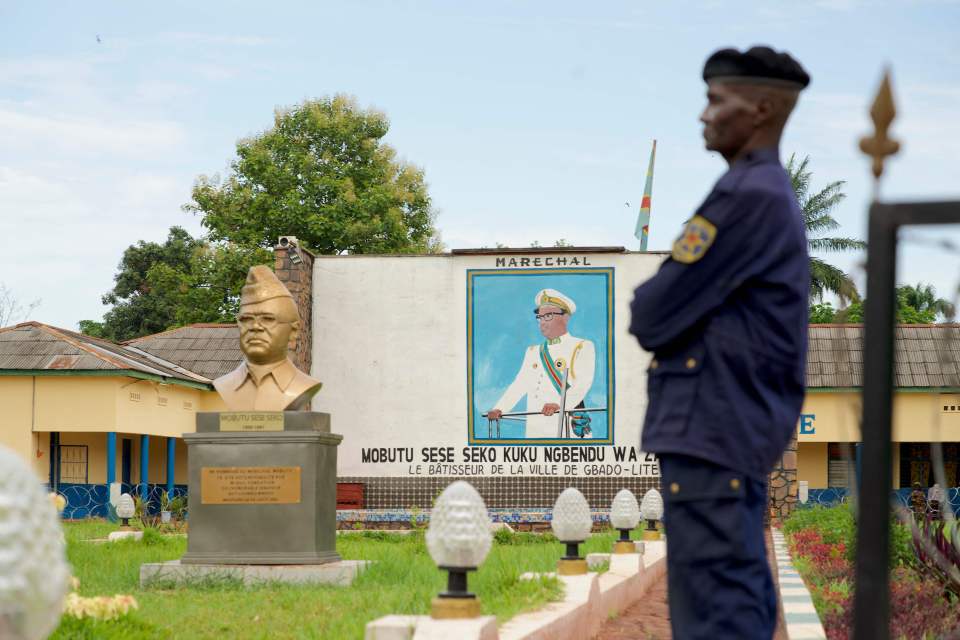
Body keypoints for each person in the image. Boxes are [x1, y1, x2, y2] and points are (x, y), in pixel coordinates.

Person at [629, 46, 811, 639]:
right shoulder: (763, 193)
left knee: (715, 617)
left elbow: (652, 314)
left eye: (716, 100)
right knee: (736, 605)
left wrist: (678, 311)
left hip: (712, 428)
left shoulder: (746, 195)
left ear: (760, 108)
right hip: (729, 429)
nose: (703, 115)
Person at [487, 289, 596, 438]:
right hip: (536, 428)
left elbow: (583, 384)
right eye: (540, 317)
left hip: (565, 426)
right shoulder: (532, 351)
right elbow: (520, 384)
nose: (542, 321)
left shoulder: (582, 346)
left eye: (548, 315)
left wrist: (558, 404)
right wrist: (499, 408)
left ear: (565, 317)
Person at [214, 265, 322, 411]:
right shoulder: (224, 385)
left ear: (293, 331)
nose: (255, 327)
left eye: (268, 319)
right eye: (246, 319)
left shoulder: (302, 386)